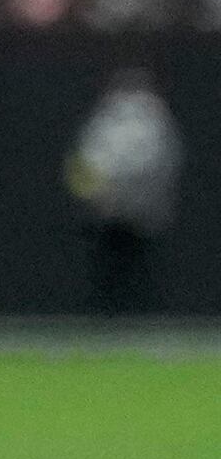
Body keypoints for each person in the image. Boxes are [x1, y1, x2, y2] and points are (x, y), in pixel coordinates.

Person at [68, 68, 179, 316]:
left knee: (124, 270)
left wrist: (105, 196)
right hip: (126, 211)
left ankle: (121, 316)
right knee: (119, 271)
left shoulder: (145, 118)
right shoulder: (129, 118)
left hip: (123, 210)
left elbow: (94, 160)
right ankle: (119, 317)